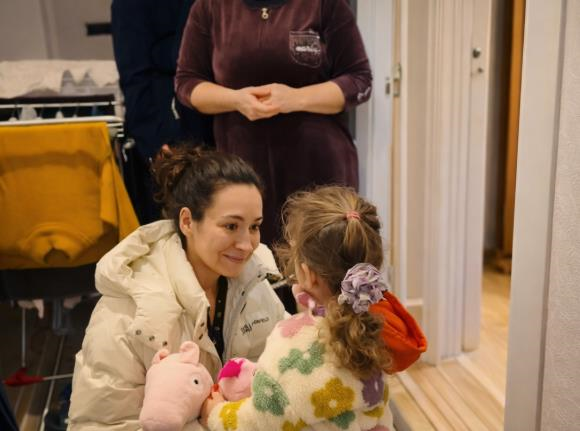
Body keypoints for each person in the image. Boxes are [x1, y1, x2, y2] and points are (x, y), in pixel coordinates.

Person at [67, 147, 287, 430]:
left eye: (254, 227)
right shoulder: (129, 310)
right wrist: (218, 422)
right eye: (231, 226)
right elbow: (100, 424)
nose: (246, 244)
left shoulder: (255, 284)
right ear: (187, 222)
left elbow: (284, 373)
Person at [174, 0, 372, 246]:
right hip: (243, 170)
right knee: (249, 259)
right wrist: (236, 99)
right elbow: (187, 82)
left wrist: (295, 98)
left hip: (319, 168)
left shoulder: (324, 5)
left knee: (322, 258)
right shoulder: (210, 7)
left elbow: (359, 80)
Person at [200, 186, 394, 430]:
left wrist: (216, 413)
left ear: (307, 273)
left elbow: (257, 421)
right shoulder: (375, 328)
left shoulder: (293, 350)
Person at [111, 0, 213, 224]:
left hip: (222, 122)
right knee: (178, 225)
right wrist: (156, 140)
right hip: (171, 130)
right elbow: (135, 75)